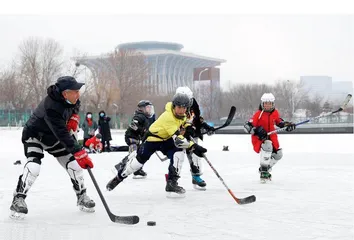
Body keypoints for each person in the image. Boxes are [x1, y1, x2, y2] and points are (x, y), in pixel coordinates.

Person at [10, 76, 95, 219]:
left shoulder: (71, 99)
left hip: (54, 138)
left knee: (74, 166)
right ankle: (18, 198)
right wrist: (79, 152)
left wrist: (74, 117)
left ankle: (81, 196)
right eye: (75, 91)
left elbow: (76, 105)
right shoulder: (51, 107)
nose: (78, 94)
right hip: (35, 136)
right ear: (65, 93)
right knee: (34, 167)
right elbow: (62, 133)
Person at [106, 92, 208, 197]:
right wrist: (194, 146)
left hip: (166, 139)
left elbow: (184, 122)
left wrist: (189, 127)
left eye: (184, 108)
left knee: (179, 152)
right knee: (137, 164)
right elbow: (178, 139)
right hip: (153, 139)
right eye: (179, 107)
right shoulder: (168, 117)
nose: (182, 110)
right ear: (174, 106)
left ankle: (171, 183)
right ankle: (119, 177)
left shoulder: (182, 114)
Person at [243, 93, 296, 182]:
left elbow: (279, 121)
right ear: (262, 104)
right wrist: (255, 130)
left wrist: (287, 125)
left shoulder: (275, 113)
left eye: (269, 103)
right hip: (260, 138)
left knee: (278, 155)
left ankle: (265, 168)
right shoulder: (258, 114)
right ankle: (264, 171)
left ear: (273, 104)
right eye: (265, 103)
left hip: (272, 137)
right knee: (268, 145)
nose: (267, 105)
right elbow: (248, 126)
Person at [172, 86, 215, 190]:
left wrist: (206, 127)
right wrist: (184, 131)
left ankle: (196, 177)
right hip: (180, 138)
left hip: (192, 136)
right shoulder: (174, 109)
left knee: (195, 156)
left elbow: (196, 119)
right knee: (178, 158)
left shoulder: (193, 106)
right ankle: (173, 181)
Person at [121, 100, 155, 179]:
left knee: (139, 153)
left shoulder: (147, 117)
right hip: (131, 137)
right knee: (134, 154)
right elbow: (133, 125)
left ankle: (137, 169)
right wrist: (142, 131)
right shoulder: (139, 116)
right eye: (148, 108)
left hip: (138, 139)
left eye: (150, 108)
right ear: (142, 109)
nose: (149, 109)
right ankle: (129, 167)